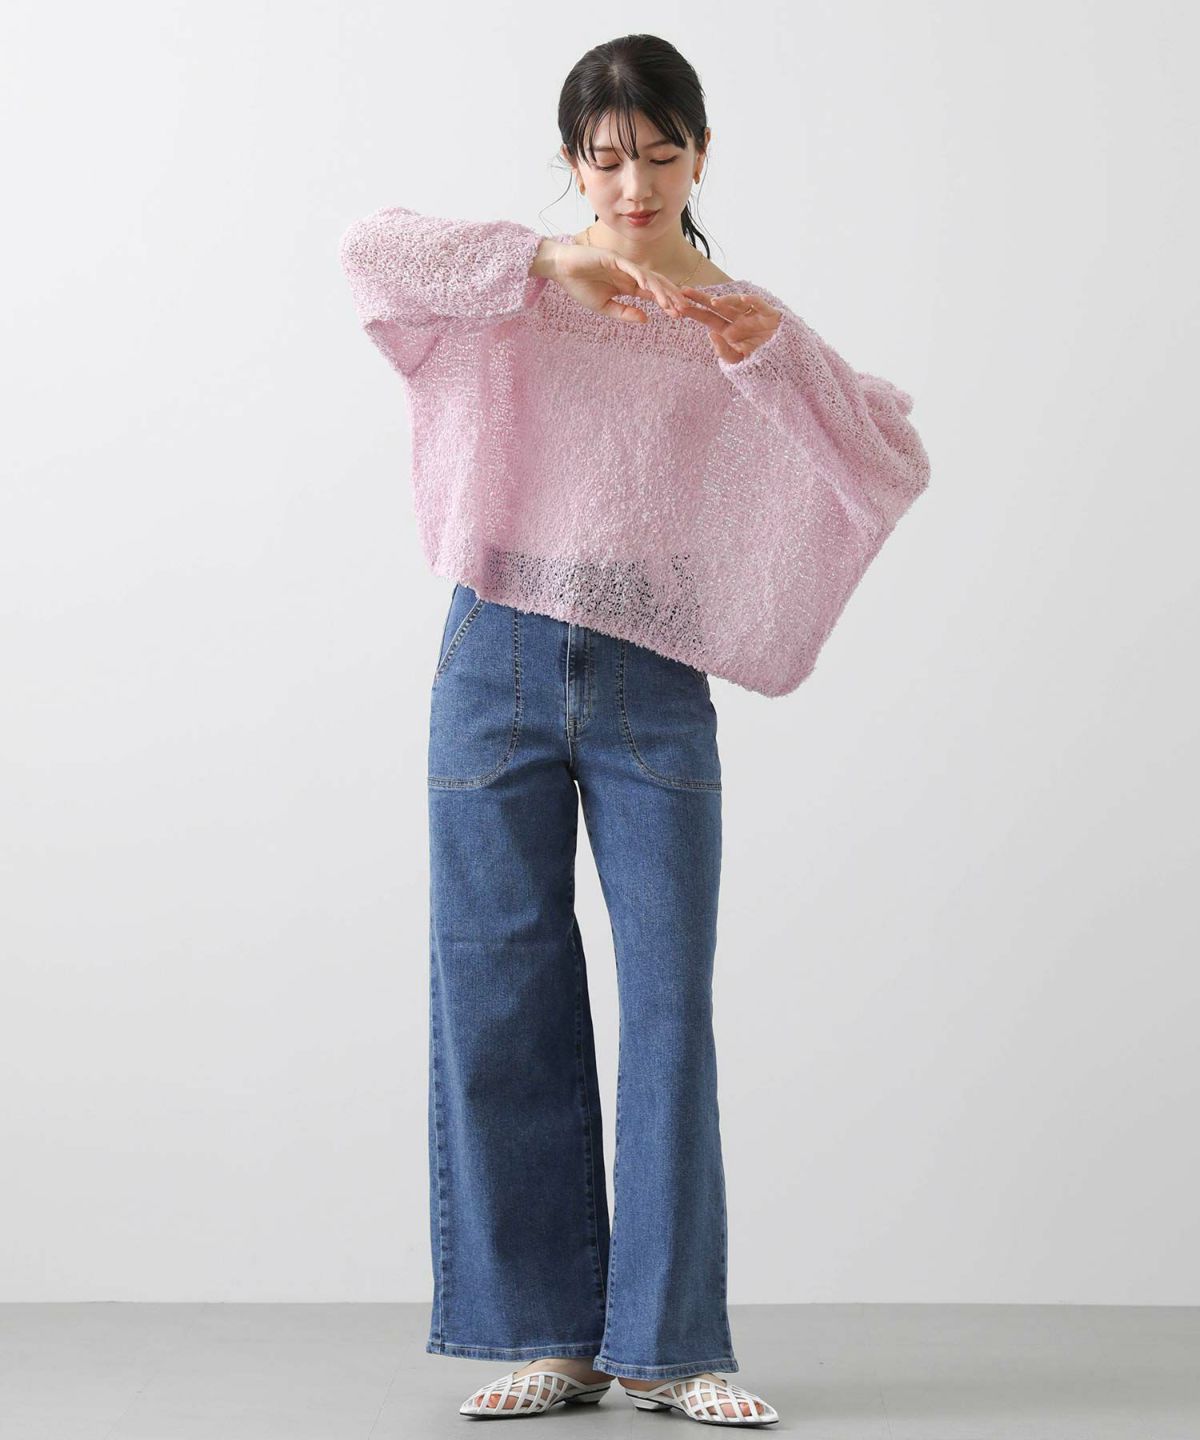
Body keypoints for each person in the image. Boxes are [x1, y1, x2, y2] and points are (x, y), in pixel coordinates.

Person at [338, 32, 929, 1429]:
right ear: (572, 163)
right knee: (500, 988)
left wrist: (773, 356)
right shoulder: (518, 285)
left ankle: (670, 1346)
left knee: (667, 1002)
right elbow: (368, 252)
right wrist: (546, 263)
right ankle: (549, 1334)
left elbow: (888, 453)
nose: (634, 184)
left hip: (652, 676)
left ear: (702, 154)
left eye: (661, 154)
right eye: (606, 159)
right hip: (494, 654)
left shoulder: (736, 316)